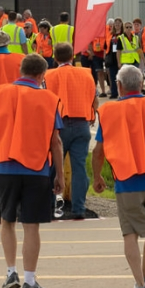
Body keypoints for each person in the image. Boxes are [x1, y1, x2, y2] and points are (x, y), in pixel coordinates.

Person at [0, 54, 65, 288]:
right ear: (42, 75)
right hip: (37, 169)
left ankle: (10, 273)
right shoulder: (49, 99)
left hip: (5, 167)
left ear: (21, 71)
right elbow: (55, 142)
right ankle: (30, 281)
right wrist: (59, 175)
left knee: (7, 221)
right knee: (31, 225)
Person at [92, 65, 145, 288]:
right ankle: (144, 274)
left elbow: (99, 151)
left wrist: (97, 176)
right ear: (141, 84)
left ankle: (139, 286)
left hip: (126, 179)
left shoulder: (109, 111)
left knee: (130, 233)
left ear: (118, 86)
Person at [44, 43, 98, 220]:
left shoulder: (49, 75)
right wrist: (92, 115)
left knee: (52, 167)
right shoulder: (86, 74)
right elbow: (94, 97)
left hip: (58, 126)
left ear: (55, 58)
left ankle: (50, 205)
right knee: (79, 168)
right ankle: (78, 208)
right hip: (82, 123)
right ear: (72, 57)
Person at [105, 17, 123, 98]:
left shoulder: (123, 34)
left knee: (121, 77)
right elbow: (106, 46)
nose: (117, 25)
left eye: (119, 23)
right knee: (112, 76)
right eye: (116, 24)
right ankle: (114, 93)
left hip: (121, 57)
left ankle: (122, 93)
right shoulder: (111, 34)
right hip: (112, 57)